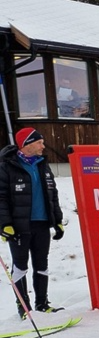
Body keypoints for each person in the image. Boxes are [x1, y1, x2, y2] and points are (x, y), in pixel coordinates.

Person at [0, 128, 64, 317]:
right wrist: (4, 224)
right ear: (27, 144)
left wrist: (57, 220)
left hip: (42, 223)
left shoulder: (42, 164)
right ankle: (24, 308)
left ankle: (42, 303)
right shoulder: (7, 166)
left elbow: (52, 195)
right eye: (39, 142)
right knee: (20, 266)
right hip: (19, 226)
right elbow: (1, 198)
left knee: (42, 264)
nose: (43, 146)